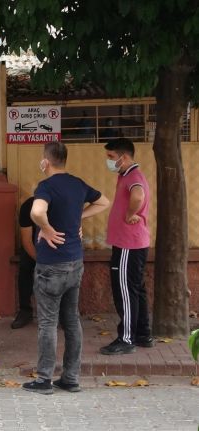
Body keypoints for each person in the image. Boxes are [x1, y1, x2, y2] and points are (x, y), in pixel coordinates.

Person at [22, 142, 109, 395]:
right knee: (71, 321)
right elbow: (104, 202)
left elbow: (37, 211)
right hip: (75, 263)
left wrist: (47, 228)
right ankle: (70, 378)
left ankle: (44, 379)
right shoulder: (77, 184)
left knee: (48, 323)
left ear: (46, 161)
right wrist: (77, 217)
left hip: (51, 265)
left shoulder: (46, 186)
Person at [100, 138, 154, 355]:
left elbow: (138, 196)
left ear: (124, 157)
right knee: (136, 289)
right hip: (132, 243)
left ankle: (126, 339)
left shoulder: (133, 176)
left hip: (128, 244)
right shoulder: (127, 175)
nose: (108, 161)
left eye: (111, 157)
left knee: (125, 291)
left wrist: (131, 214)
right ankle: (143, 334)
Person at [11, 196, 36, 329]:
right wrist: (41, 261)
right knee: (25, 266)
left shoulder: (62, 204)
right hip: (33, 245)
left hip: (57, 245)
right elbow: (27, 241)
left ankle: (64, 314)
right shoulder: (28, 206)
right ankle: (25, 311)